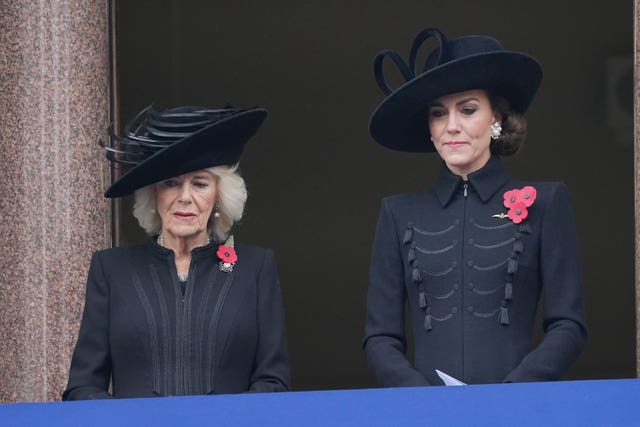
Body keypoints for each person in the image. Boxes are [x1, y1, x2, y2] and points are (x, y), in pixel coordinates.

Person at [363, 27, 587, 386]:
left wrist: (512, 395)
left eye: (467, 110)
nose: (451, 126)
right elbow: (380, 337)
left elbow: (568, 324)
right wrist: (423, 401)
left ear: (496, 118)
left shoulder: (546, 202)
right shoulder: (398, 213)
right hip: (427, 415)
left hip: (517, 410)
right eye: (438, 114)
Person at [63, 105, 290, 399]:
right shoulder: (112, 270)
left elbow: (274, 382)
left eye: (199, 183)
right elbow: (82, 387)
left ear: (219, 195)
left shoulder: (255, 268)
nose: (185, 197)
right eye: (170, 183)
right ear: (153, 194)